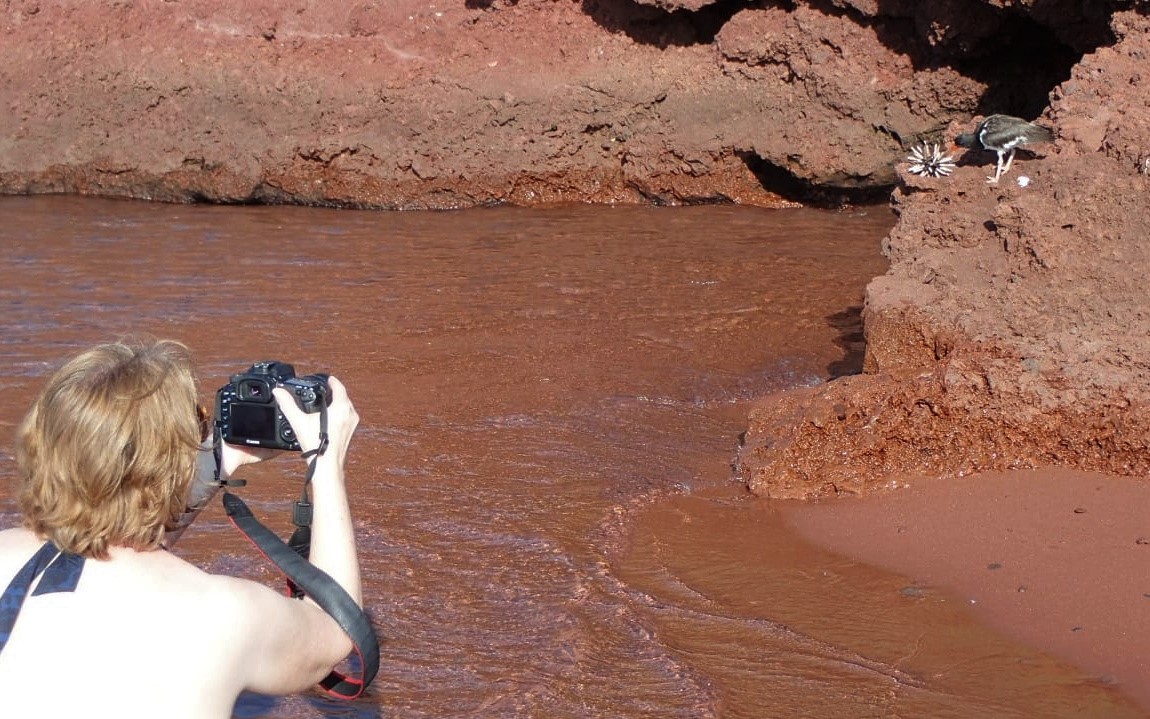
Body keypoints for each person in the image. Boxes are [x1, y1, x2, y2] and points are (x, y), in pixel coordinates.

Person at [0, 338, 363, 717]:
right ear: (174, 462)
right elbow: (337, 629)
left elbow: (108, 537)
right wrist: (325, 462)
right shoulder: (224, 614)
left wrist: (218, 462)